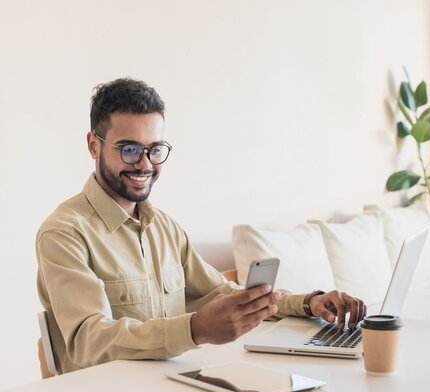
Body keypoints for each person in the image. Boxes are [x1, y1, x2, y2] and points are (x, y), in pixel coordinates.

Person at [36, 78, 367, 374]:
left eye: (155, 150)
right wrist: (194, 330)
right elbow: (88, 341)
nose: (145, 164)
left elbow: (222, 294)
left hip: (170, 384)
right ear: (94, 145)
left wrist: (309, 303)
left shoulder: (165, 228)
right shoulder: (64, 233)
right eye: (130, 149)